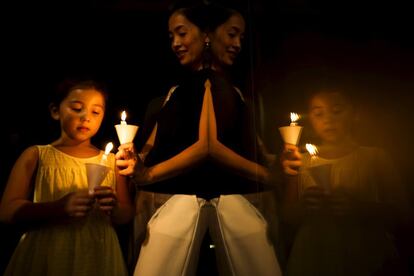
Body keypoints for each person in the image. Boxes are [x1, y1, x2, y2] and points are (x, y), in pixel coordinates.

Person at [116, 1, 282, 275]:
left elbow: (251, 150)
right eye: (172, 36)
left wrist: (279, 166)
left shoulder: (238, 96)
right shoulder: (173, 96)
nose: (176, 43)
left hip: (237, 206)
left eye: (181, 33)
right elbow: (150, 149)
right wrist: (133, 161)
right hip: (169, 207)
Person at [0, 79, 134, 276]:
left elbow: (126, 214)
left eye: (95, 112)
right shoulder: (37, 155)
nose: (86, 117)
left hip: (97, 254)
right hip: (48, 252)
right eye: (77, 108)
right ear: (55, 111)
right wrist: (59, 207)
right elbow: (7, 212)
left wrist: (114, 207)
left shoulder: (112, 162)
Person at [280, 88, 410, 275]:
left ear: (354, 114)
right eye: (318, 113)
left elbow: (403, 215)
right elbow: (288, 218)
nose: (328, 119)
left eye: (337, 110)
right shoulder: (299, 160)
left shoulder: (374, 157)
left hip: (365, 254)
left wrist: (360, 208)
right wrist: (304, 206)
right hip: (314, 256)